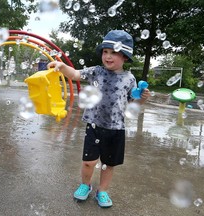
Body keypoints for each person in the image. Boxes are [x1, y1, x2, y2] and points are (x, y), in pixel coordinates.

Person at [47, 30, 150, 208]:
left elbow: (134, 102)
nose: (108, 56)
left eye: (114, 52)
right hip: (94, 125)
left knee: (108, 164)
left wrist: (142, 97)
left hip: (116, 128)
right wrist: (62, 66)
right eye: (105, 52)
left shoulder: (129, 79)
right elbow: (75, 75)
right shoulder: (96, 72)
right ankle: (85, 185)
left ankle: (102, 191)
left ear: (125, 56)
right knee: (88, 162)